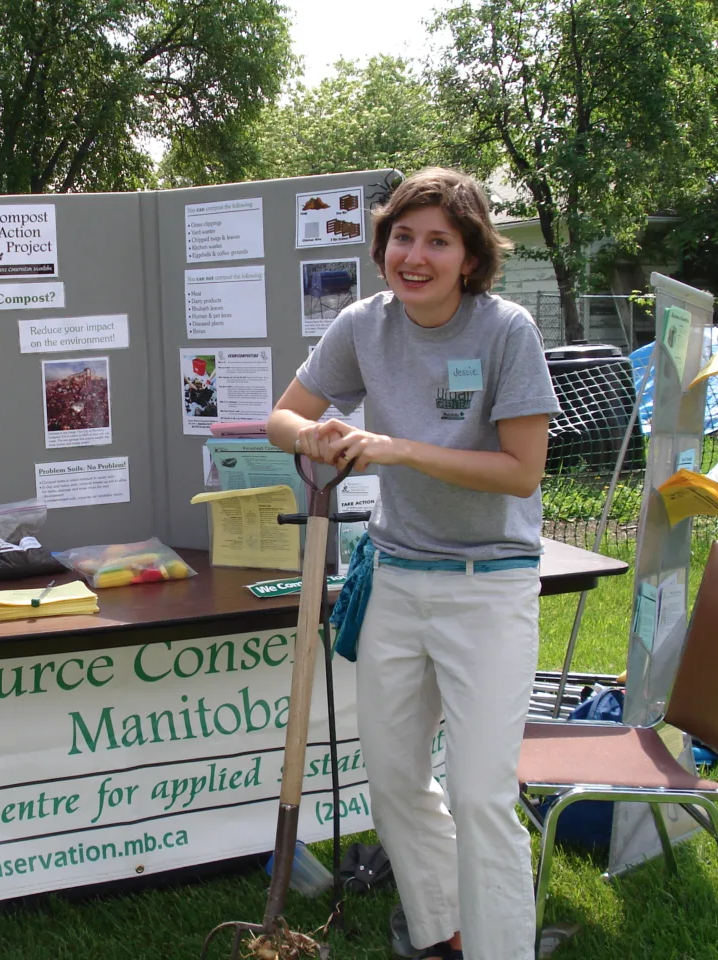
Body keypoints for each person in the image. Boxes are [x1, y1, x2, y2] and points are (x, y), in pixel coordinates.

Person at [266, 167, 559, 960]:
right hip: (395, 579)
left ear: (471, 257)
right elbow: (282, 416)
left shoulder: (507, 331)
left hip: (488, 588)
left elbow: (522, 470)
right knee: (394, 784)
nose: (415, 255)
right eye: (402, 236)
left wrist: (397, 449)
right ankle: (446, 936)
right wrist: (315, 438)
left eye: (439, 240)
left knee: (479, 792)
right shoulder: (365, 324)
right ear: (382, 243)